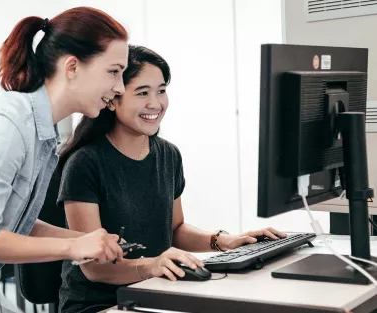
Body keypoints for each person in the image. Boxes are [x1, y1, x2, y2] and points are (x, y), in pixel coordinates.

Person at [0, 7, 129, 313]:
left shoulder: (38, 130)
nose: (119, 87)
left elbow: (18, 222)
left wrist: (89, 240)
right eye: (113, 71)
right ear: (72, 66)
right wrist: (74, 246)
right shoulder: (9, 125)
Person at [55, 45, 286, 313]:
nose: (156, 104)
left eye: (161, 91)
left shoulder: (167, 154)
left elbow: (175, 229)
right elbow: (94, 267)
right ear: (113, 97)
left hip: (157, 293)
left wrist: (222, 240)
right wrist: (151, 265)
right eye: (142, 93)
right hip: (99, 305)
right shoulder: (85, 163)